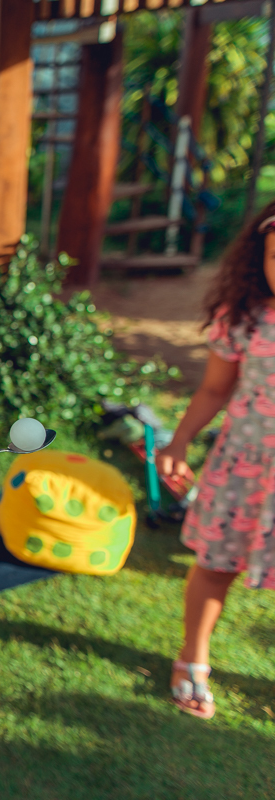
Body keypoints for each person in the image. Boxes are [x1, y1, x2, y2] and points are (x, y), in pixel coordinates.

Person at [157, 203, 275, 720]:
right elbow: (212, 391)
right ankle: (192, 658)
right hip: (243, 471)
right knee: (215, 565)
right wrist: (177, 443)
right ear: (259, 258)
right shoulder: (245, 317)